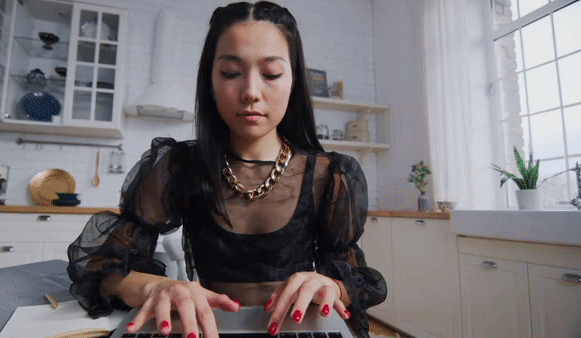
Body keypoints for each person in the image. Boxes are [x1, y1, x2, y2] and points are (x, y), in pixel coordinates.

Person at [67, 1, 386, 337]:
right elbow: (102, 271)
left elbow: (359, 281)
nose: (250, 92)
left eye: (271, 74)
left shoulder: (331, 175)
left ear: (293, 80)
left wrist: (332, 287)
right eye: (231, 73)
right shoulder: (178, 166)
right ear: (210, 81)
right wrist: (156, 287)